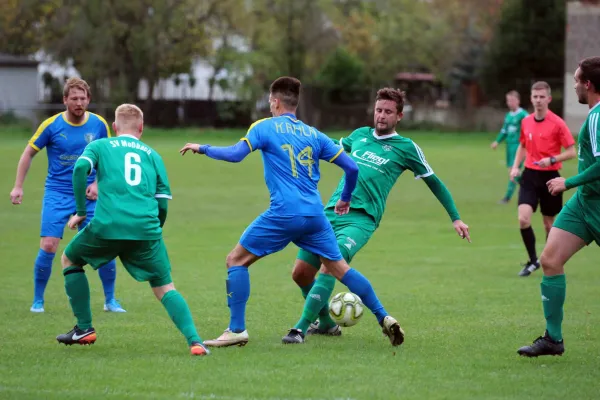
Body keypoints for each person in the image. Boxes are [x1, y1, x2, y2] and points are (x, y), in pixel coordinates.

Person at [180, 77, 404, 348]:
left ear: (274, 102)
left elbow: (235, 154)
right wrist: (345, 199)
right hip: (316, 216)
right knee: (339, 269)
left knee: (236, 261)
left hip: (284, 213)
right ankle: (384, 316)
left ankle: (236, 329)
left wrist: (202, 148)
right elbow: (352, 168)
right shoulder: (313, 133)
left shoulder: (264, 127)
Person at [284, 88, 471, 343]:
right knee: (300, 273)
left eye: (388, 112)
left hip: (361, 219)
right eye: (378, 110)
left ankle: (300, 329)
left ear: (400, 116)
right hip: (329, 213)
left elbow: (435, 183)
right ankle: (327, 323)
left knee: (330, 265)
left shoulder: (406, 148)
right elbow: (327, 148)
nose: (381, 116)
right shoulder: (359, 135)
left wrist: (456, 217)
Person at [55, 104, 209, 356]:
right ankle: (195, 342)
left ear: (114, 127)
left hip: (107, 226)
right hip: (146, 230)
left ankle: (84, 328)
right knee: (165, 287)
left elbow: (80, 169)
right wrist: (155, 229)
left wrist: (81, 212)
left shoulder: (100, 146)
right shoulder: (152, 154)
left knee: (69, 259)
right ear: (141, 128)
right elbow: (162, 203)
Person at [9, 77, 125, 313]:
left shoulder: (99, 124)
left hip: (89, 194)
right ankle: (38, 301)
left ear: (89, 99)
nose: (79, 102)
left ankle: (110, 300)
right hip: (57, 193)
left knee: (103, 244)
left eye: (83, 98)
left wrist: (98, 185)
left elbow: (109, 159)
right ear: (64, 100)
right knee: (49, 245)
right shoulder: (51, 125)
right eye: (74, 98)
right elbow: (28, 154)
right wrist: (18, 186)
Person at [517, 57, 600, 357]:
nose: (575, 85)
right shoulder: (592, 115)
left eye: (577, 80)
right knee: (550, 260)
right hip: (584, 203)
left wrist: (569, 182)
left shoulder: (598, 117)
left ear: (588, 85)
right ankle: (553, 339)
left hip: (595, 202)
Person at [509, 81, 576, 277]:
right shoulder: (526, 121)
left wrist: (552, 159)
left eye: (541, 97)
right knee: (523, 219)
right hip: (529, 175)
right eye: (535, 97)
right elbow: (522, 145)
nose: (538, 100)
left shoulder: (557, 123)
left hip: (551, 178)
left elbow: (572, 151)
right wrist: (515, 167)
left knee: (549, 224)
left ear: (548, 99)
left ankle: (548, 259)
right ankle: (533, 261)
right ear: (531, 98)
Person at [490, 91, 528, 204]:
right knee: (512, 172)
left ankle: (507, 197)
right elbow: (504, 130)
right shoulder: (508, 116)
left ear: (518, 101)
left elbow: (529, 130)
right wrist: (497, 141)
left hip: (519, 147)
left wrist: (527, 147)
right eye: (508, 100)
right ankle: (530, 186)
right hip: (509, 147)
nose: (510, 103)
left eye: (512, 100)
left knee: (513, 173)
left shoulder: (523, 115)